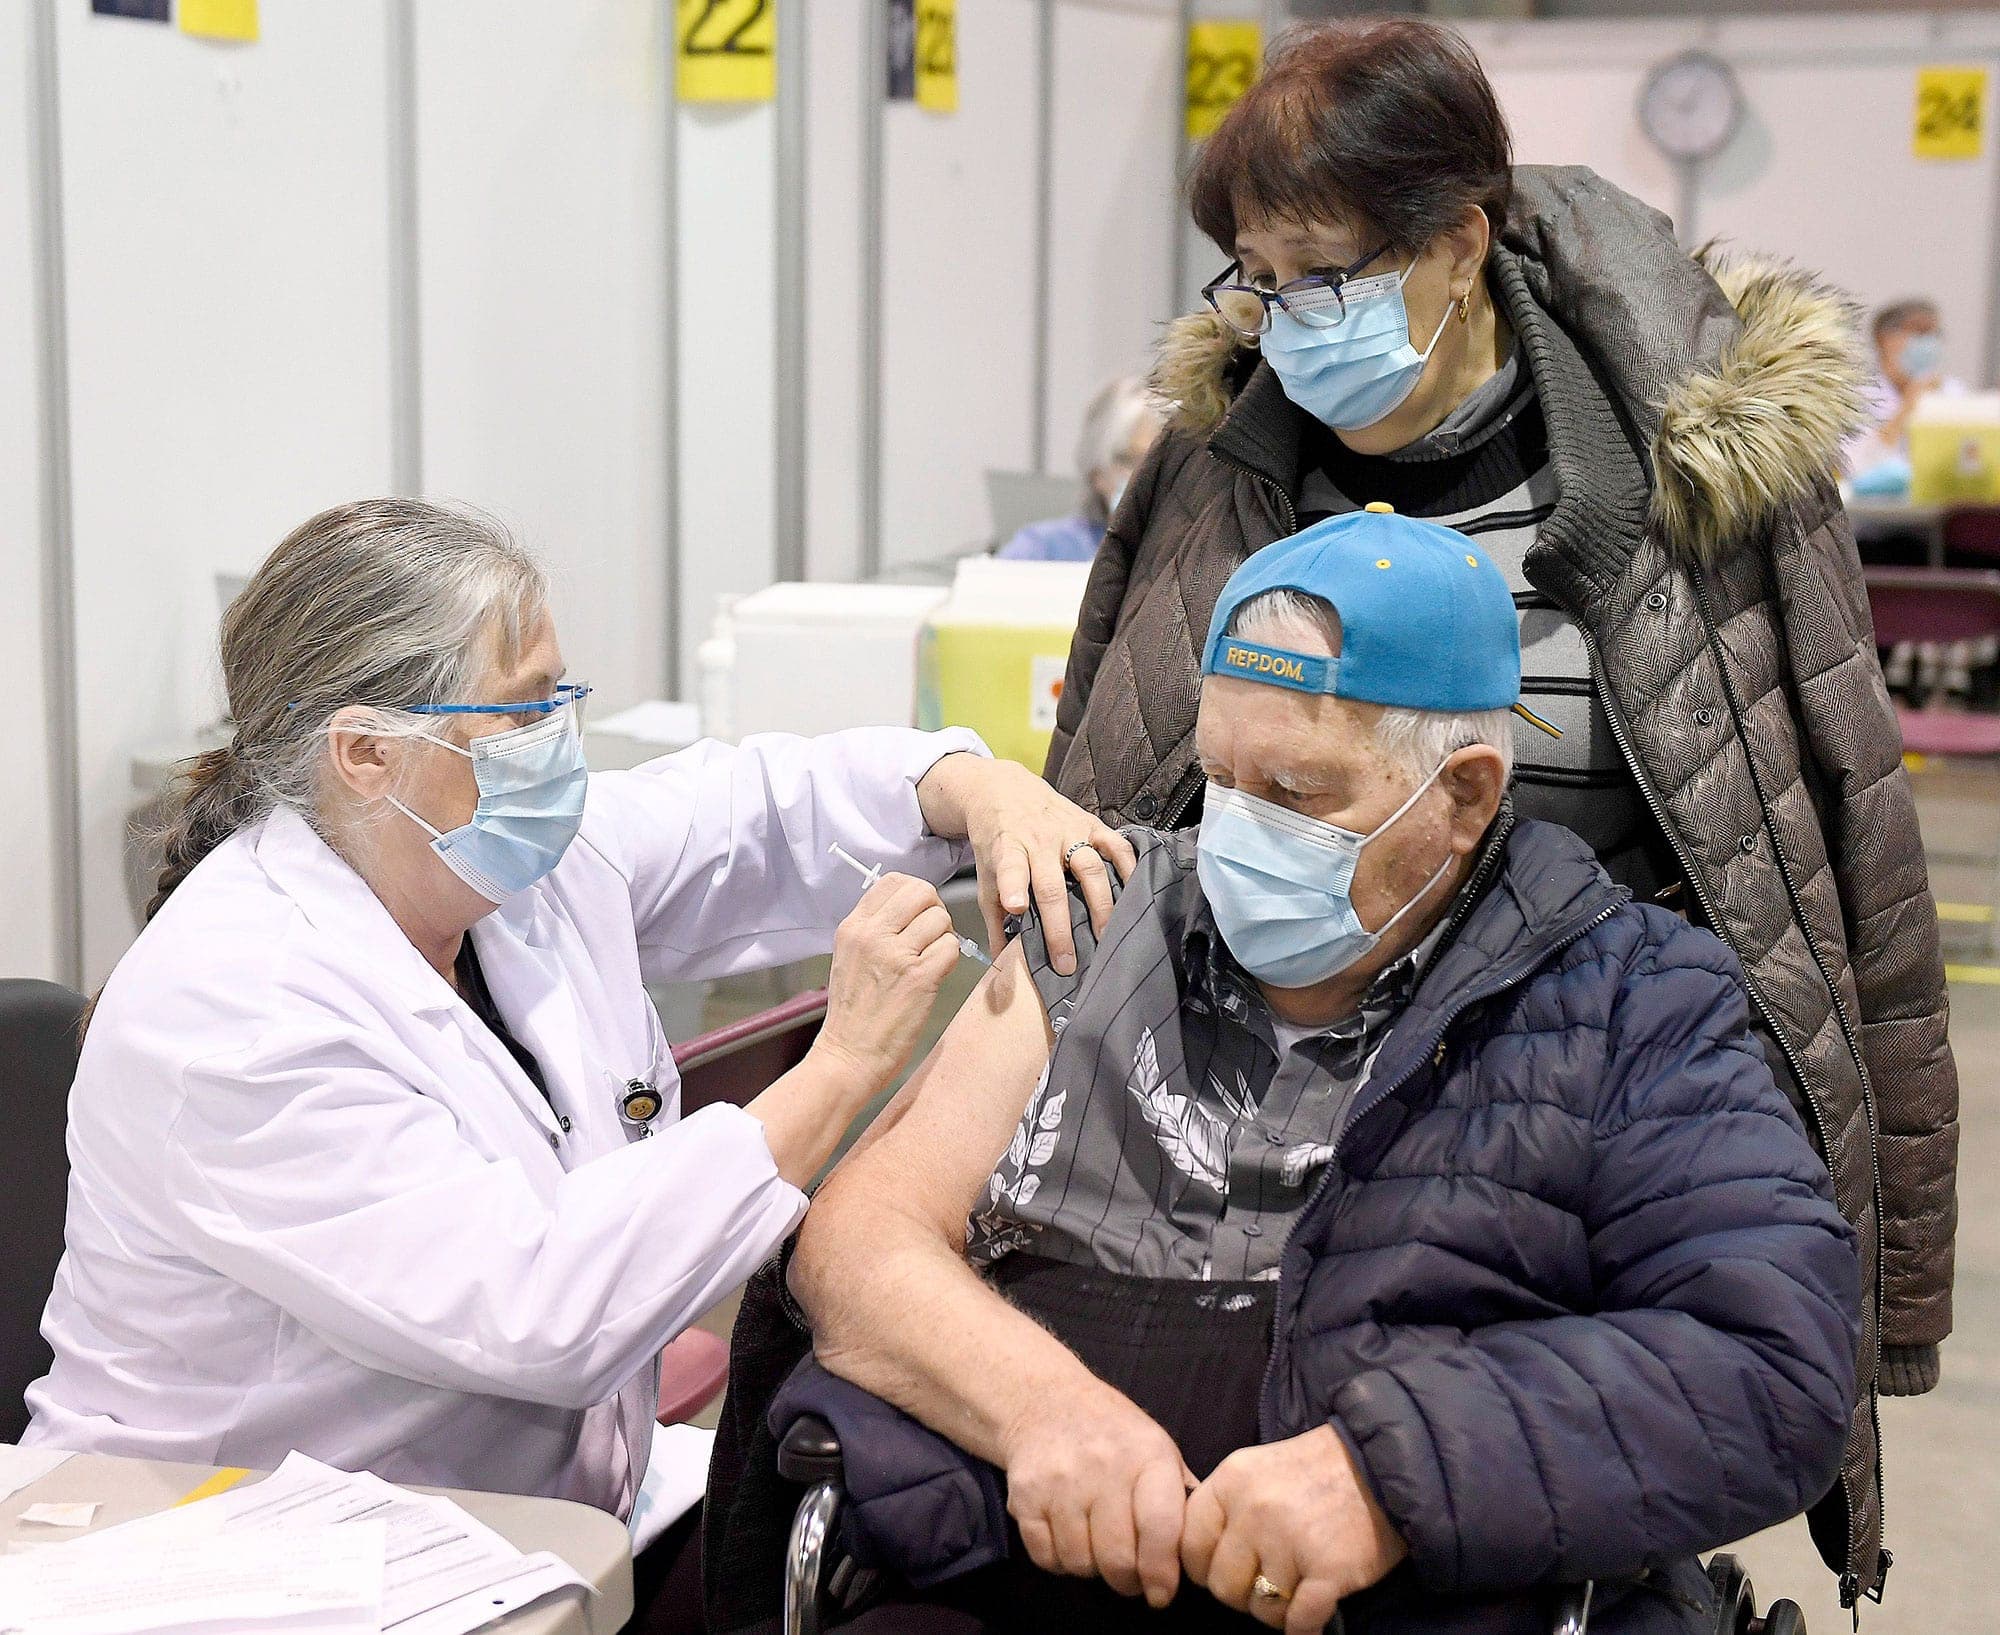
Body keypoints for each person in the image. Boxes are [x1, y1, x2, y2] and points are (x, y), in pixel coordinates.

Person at [1040, 20, 1952, 1606]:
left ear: (1458, 241)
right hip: (1261, 1102)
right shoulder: (1215, 467)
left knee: (1504, 1517)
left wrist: (1893, 1274)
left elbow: (1839, 859)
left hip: (1572, 1106)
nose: (1284, 321)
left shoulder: (1697, 479)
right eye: (1255, 275)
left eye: (1323, 274)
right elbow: (1106, 771)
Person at [20, 499, 1135, 1629]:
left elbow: (748, 815)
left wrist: (971, 786)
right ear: (364, 753)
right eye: (520, 712)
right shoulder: (234, 1007)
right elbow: (541, 1308)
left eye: (561, 697)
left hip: (505, 1520)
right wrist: (841, 1063)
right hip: (230, 1555)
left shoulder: (490, 874)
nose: (557, 741)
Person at [759, 513, 1860, 1634]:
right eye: (1218, 776)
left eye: (1295, 794)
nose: (1233, 829)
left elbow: (1768, 1368)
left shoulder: (1631, 1002)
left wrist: (1397, 1472)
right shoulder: (1098, 914)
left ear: (1462, 796)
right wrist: (1042, 1409)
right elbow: (859, 1236)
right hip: (1023, 1565)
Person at [996, 376, 1165, 561]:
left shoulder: (1182, 557)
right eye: (1129, 460)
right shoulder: (1041, 549)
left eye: (1158, 460)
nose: (1147, 474)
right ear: (1097, 473)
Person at [1844, 297, 1964, 494]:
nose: (1929, 343)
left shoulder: (1952, 392)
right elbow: (1854, 468)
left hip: (1940, 508)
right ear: (1884, 339)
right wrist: (1907, 408)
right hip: (1874, 515)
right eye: (1920, 332)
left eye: (1935, 334)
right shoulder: (1858, 395)